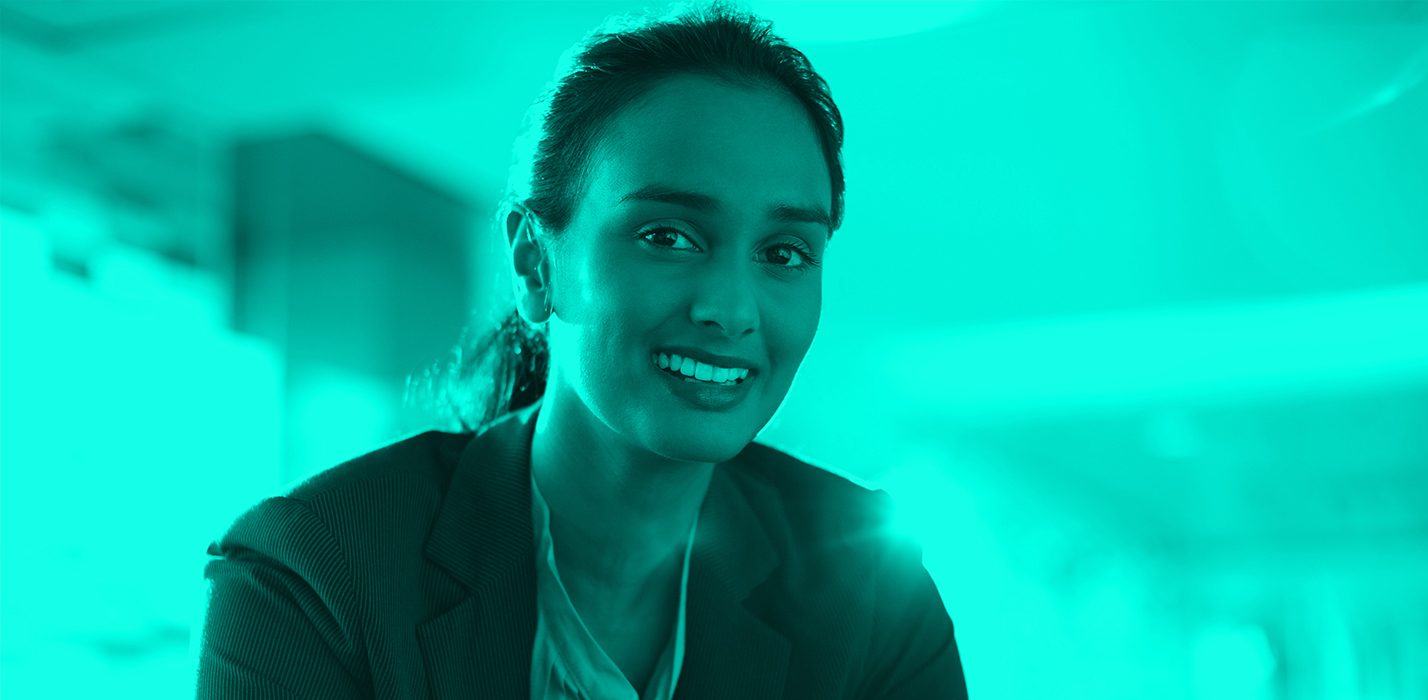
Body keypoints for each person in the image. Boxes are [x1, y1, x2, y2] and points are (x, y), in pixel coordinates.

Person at [195, 2, 966, 698]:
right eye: (667, 236)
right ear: (536, 263)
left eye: (785, 253)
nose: (731, 311)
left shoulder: (871, 586)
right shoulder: (314, 569)